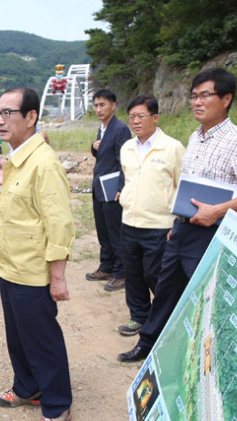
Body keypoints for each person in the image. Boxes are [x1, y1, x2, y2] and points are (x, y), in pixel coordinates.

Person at [119, 68, 237, 362]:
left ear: (226, 99)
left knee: (208, 295)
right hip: (183, 229)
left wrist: (217, 210)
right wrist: (176, 223)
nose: (197, 102)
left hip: (211, 231)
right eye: (193, 96)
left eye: (205, 96)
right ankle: (149, 345)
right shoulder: (196, 136)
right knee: (165, 290)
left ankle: (216, 357)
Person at [0, 87, 75, 421]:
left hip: (33, 273)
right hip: (10, 267)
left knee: (42, 339)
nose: (0, 119)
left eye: (8, 112)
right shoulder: (17, 157)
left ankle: (57, 405)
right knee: (18, 336)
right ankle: (27, 388)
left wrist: (58, 277)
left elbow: (59, 225)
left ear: (31, 117)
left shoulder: (44, 163)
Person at [117, 95, 185, 337]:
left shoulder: (173, 148)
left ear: (155, 118)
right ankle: (138, 317)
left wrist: (177, 223)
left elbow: (181, 187)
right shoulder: (127, 147)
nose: (135, 121)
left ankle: (166, 320)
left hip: (159, 225)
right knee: (133, 275)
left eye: (141, 116)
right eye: (132, 117)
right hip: (129, 222)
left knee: (156, 276)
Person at [86, 89, 131, 292]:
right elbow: (103, 155)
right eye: (95, 105)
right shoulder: (102, 128)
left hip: (113, 188)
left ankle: (121, 272)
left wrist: (121, 188)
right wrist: (94, 148)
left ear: (113, 105)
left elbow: (125, 162)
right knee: (103, 230)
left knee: (115, 232)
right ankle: (107, 266)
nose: (98, 109)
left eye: (102, 104)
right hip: (99, 187)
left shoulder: (120, 129)